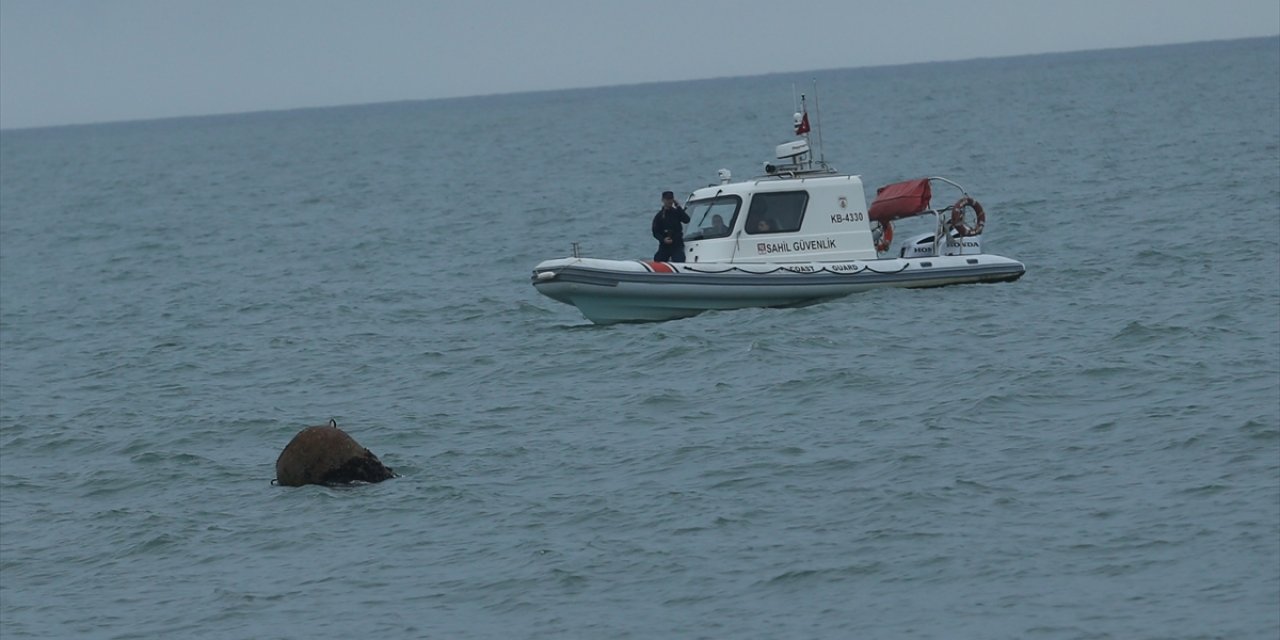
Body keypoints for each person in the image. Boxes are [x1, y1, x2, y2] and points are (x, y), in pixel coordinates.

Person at [651, 190, 690, 262]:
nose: (669, 201)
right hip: (665, 245)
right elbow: (655, 232)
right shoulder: (659, 216)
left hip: (677, 244)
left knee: (679, 260)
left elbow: (687, 220)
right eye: (667, 199)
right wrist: (663, 240)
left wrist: (678, 206)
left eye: (671, 199)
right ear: (663, 200)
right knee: (658, 259)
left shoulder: (676, 212)